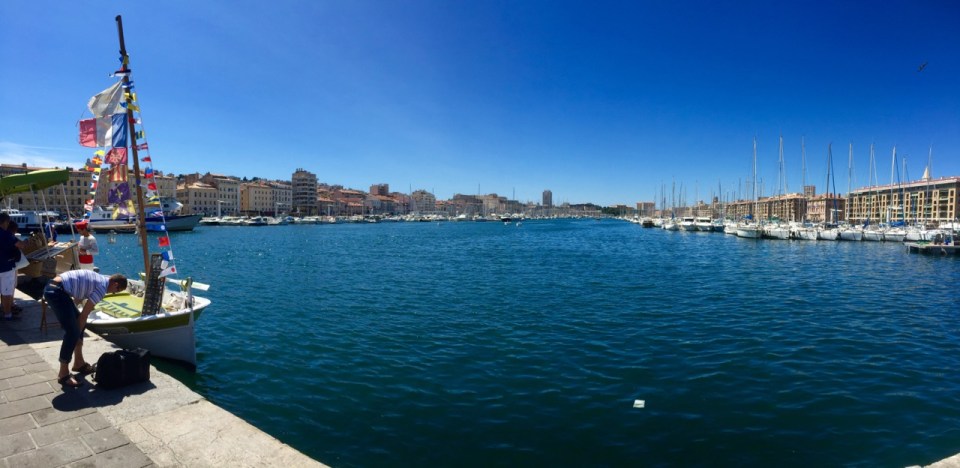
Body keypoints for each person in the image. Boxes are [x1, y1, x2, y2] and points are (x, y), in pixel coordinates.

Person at [44, 270, 127, 387]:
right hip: (56, 291)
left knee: (77, 326)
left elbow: (77, 297)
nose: (113, 293)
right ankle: (63, 374)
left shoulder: (100, 278)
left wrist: (77, 330)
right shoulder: (102, 288)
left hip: (55, 287)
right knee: (72, 332)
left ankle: (78, 363)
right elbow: (84, 315)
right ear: (115, 284)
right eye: (116, 291)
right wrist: (76, 335)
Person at [0, 213, 26, 321]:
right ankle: (7, 314)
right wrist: (25, 242)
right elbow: (20, 245)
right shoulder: (7, 234)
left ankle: (4, 310)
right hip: (6, 267)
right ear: (6, 222)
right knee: (6, 292)